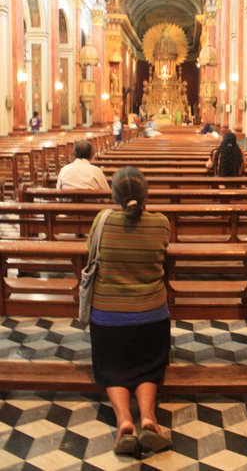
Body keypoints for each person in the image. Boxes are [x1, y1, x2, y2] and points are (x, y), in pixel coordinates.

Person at [88, 167, 172, 455]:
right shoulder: (161, 223)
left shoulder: (102, 220)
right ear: (146, 194)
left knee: (113, 370)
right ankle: (148, 417)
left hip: (107, 318)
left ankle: (124, 421)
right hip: (151, 316)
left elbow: (92, 253)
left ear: (115, 195)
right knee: (148, 366)